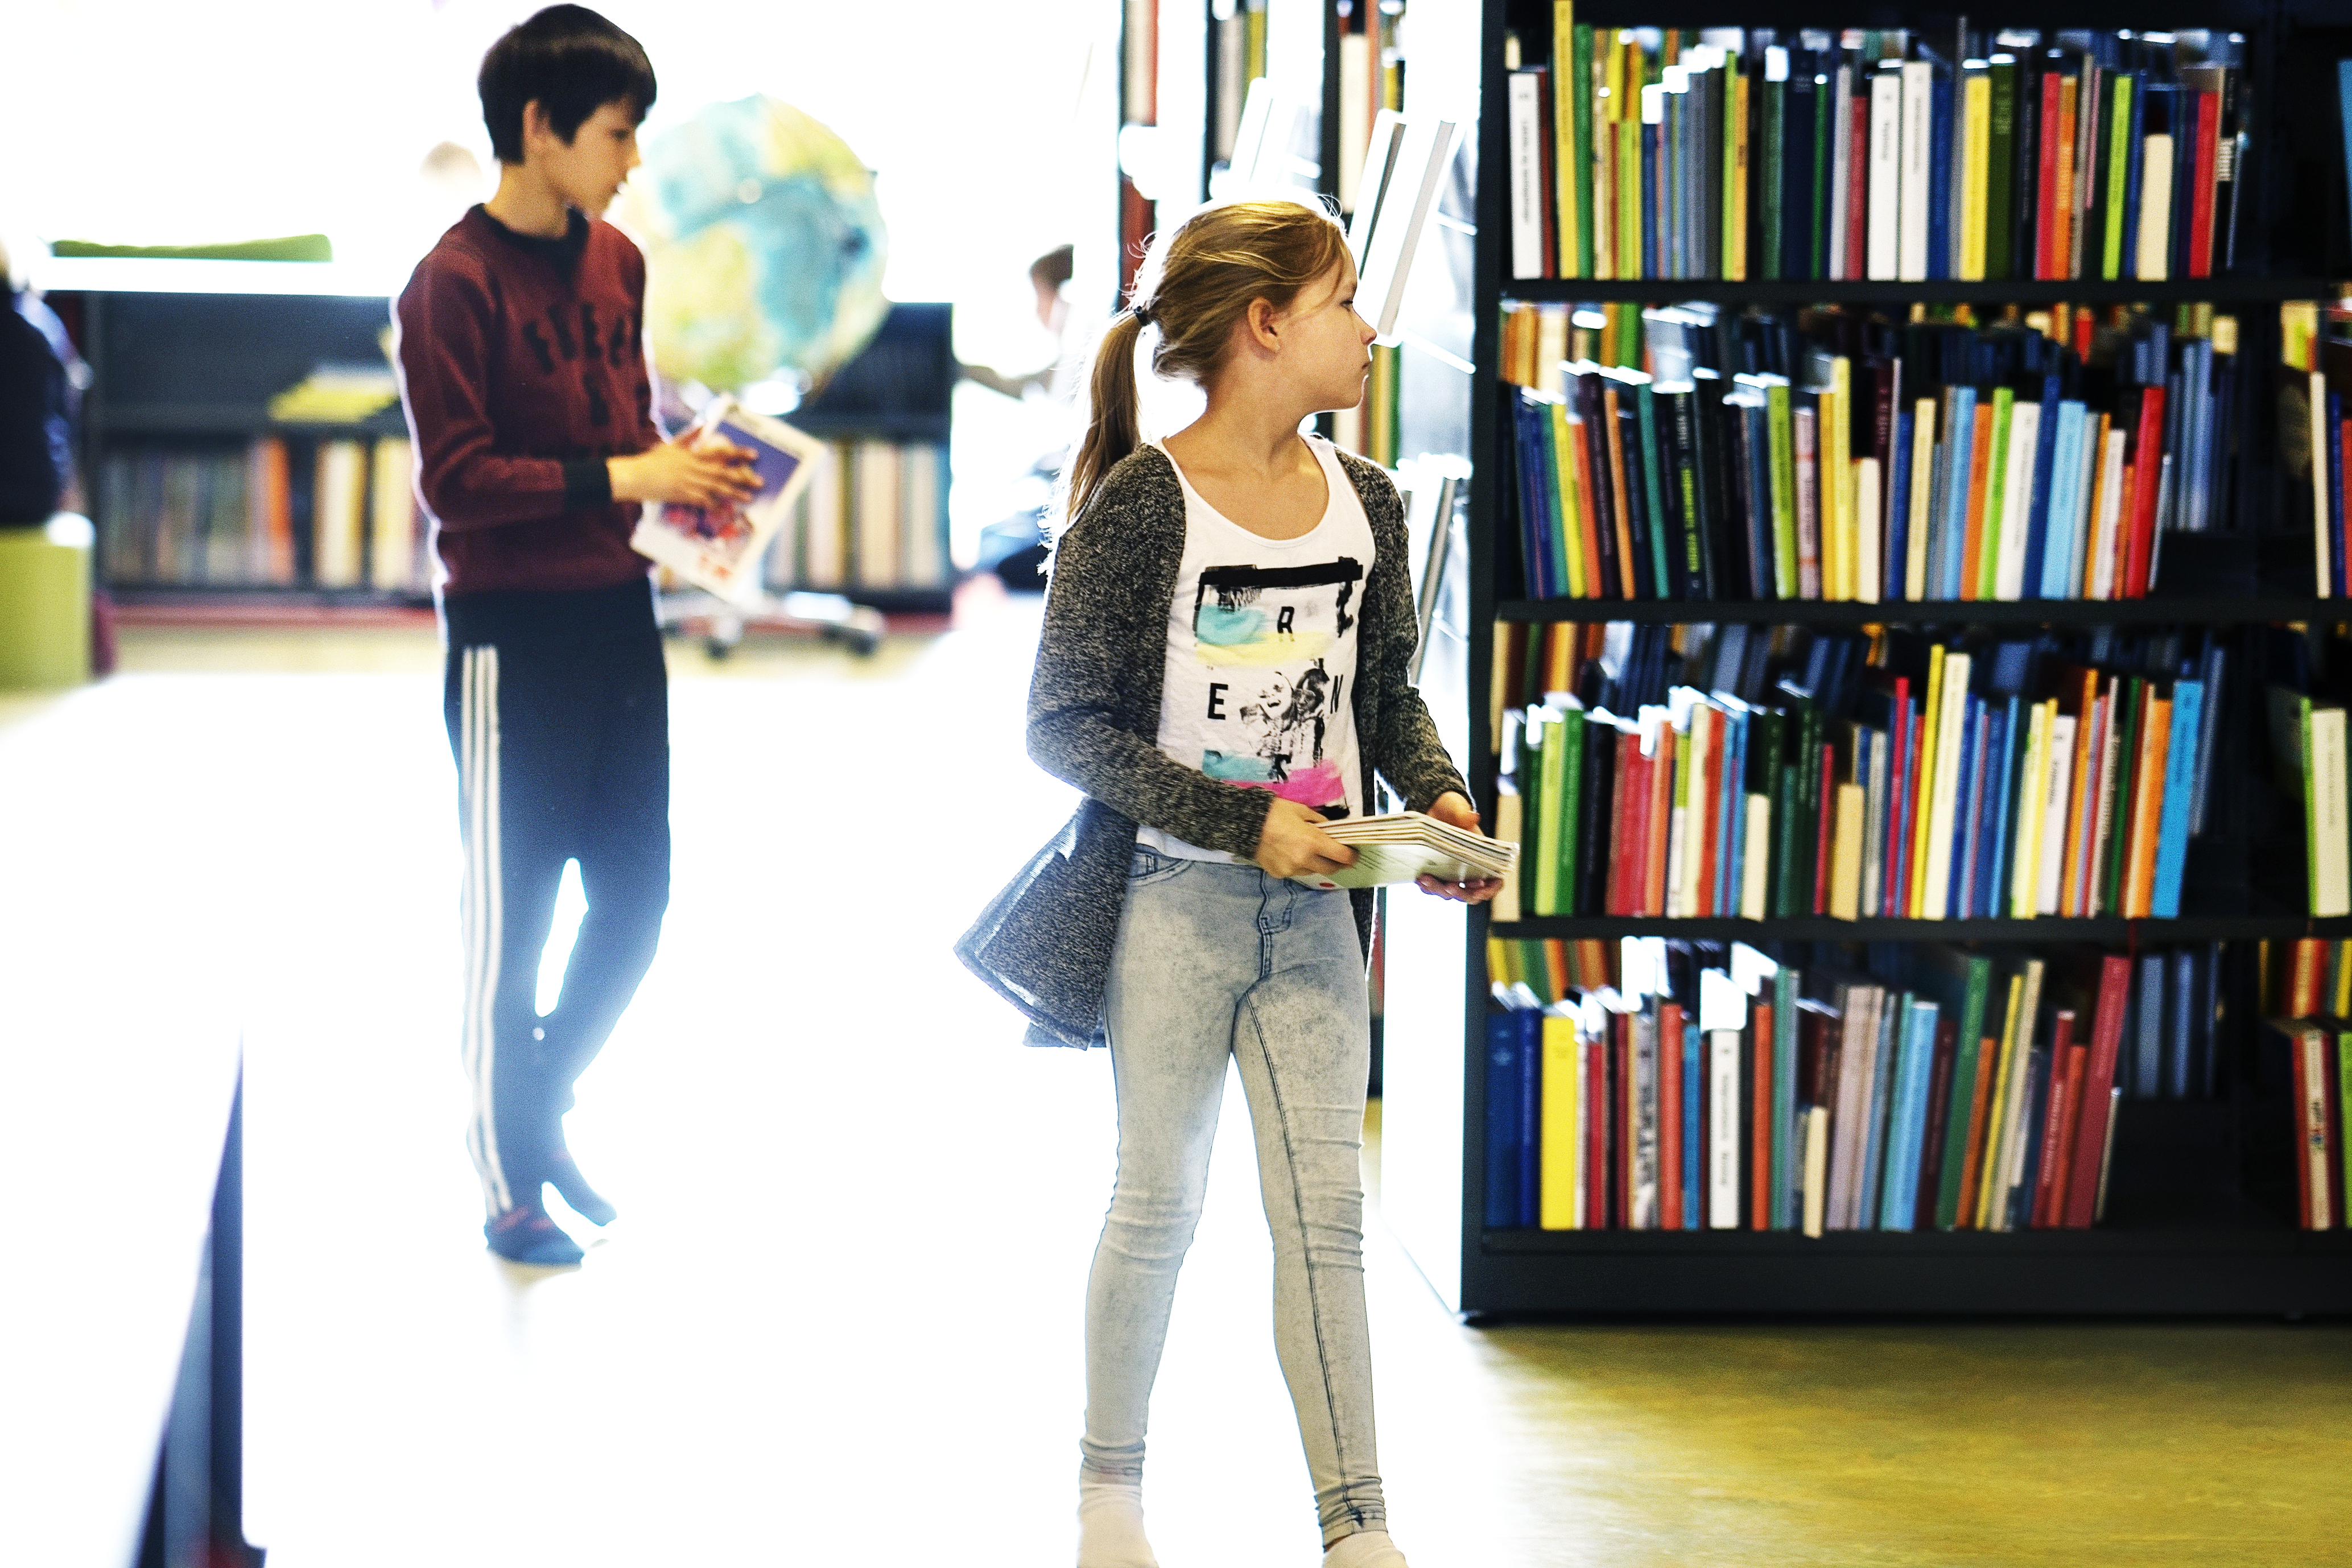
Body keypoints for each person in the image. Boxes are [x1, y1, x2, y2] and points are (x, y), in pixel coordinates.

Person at [956, 200, 1500, 1568]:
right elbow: (1063, 724)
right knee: (1158, 1200)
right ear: (1266, 327)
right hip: (1171, 906)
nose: (1372, 326)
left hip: (1321, 916)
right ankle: (1108, 1492)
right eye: (1345, 301)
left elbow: (1382, 694)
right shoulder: (1143, 506)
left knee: (1326, 1223)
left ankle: (1358, 1526)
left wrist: (1432, 795)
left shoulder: (1369, 502)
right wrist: (1240, 820)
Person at [393, 5, 757, 1267]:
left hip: (620, 615)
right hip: (506, 637)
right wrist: (632, 470)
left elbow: (626, 415)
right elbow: (460, 482)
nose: (634, 158)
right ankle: (509, 1179)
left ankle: (532, 1101)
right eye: (618, 131)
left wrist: (686, 464)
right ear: (541, 130)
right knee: (512, 915)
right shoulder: (447, 284)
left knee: (639, 899)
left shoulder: (618, 262)